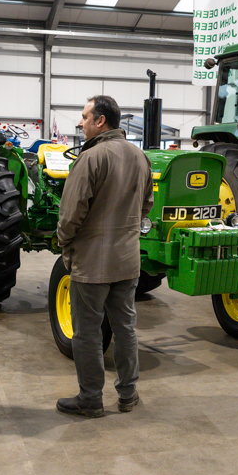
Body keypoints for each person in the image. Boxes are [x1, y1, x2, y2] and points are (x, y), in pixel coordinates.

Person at [56, 95, 153, 418]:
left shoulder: (92, 158)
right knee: (125, 328)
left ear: (101, 121)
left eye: (85, 117)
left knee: (87, 332)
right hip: (127, 261)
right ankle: (128, 394)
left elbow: (71, 214)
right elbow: (146, 206)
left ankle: (90, 398)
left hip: (92, 265)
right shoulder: (139, 156)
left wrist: (65, 242)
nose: (81, 123)